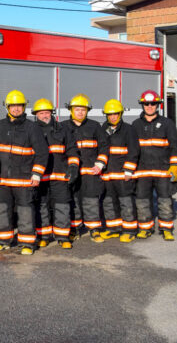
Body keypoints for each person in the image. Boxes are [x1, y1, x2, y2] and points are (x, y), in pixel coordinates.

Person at [0, 90, 49, 255]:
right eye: (13, 105)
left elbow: (42, 153)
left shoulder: (32, 128)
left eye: (19, 106)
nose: (16, 109)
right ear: (7, 107)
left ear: (24, 107)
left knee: (25, 211)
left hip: (24, 179)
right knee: (1, 210)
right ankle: (3, 240)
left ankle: (27, 242)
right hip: (1, 179)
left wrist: (37, 174)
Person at [131, 90, 177, 241]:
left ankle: (166, 228)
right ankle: (145, 228)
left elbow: (176, 146)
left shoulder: (167, 124)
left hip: (163, 170)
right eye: (146, 104)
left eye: (153, 103)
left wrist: (174, 165)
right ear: (142, 105)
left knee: (165, 201)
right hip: (143, 171)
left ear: (158, 105)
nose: (149, 106)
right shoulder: (136, 125)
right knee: (142, 201)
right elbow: (132, 149)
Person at [31, 98, 80, 250]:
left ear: (52, 113)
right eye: (41, 113)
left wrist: (73, 166)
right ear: (35, 115)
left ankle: (62, 236)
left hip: (60, 175)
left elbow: (72, 149)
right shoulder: (31, 129)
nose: (44, 115)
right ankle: (44, 236)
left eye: (47, 112)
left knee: (62, 207)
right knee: (42, 207)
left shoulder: (62, 129)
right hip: (41, 177)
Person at [64, 94, 109, 243]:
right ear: (71, 110)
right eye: (77, 109)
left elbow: (104, 146)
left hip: (90, 172)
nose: (80, 113)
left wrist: (100, 164)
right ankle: (75, 229)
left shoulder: (95, 126)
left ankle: (94, 229)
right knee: (74, 201)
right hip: (72, 172)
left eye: (83, 110)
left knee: (91, 201)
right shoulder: (63, 127)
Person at [99, 99, 140, 243]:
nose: (113, 117)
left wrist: (129, 170)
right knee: (109, 202)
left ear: (120, 114)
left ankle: (129, 230)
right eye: (110, 114)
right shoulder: (103, 129)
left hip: (123, 174)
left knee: (126, 202)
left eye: (116, 114)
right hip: (108, 174)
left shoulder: (128, 129)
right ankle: (113, 229)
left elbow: (134, 151)